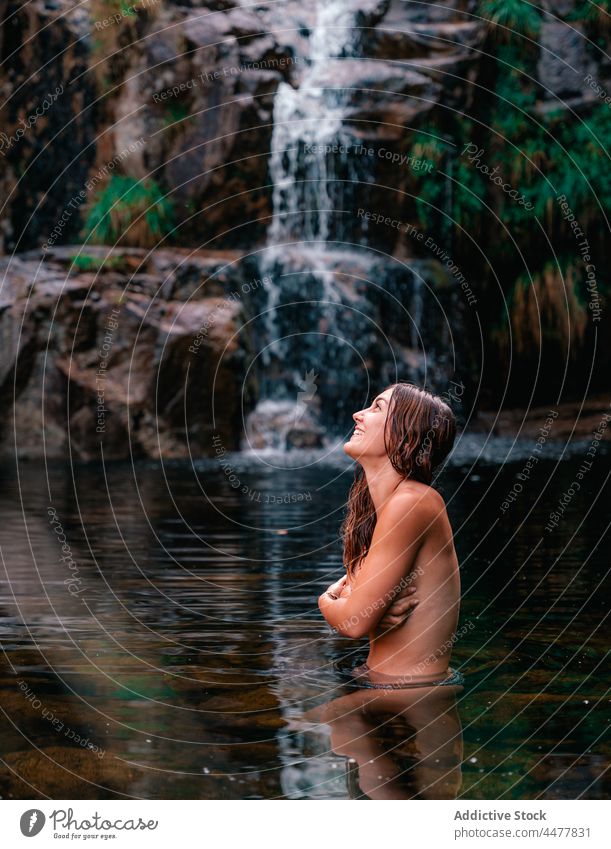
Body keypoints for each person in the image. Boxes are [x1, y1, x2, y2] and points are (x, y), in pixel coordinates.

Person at [318, 382, 460, 685]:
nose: (358, 414)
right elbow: (361, 612)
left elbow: (353, 622)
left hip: (410, 701)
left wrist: (326, 599)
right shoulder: (378, 507)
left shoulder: (413, 502)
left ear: (406, 436)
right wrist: (366, 609)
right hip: (381, 685)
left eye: (377, 408)